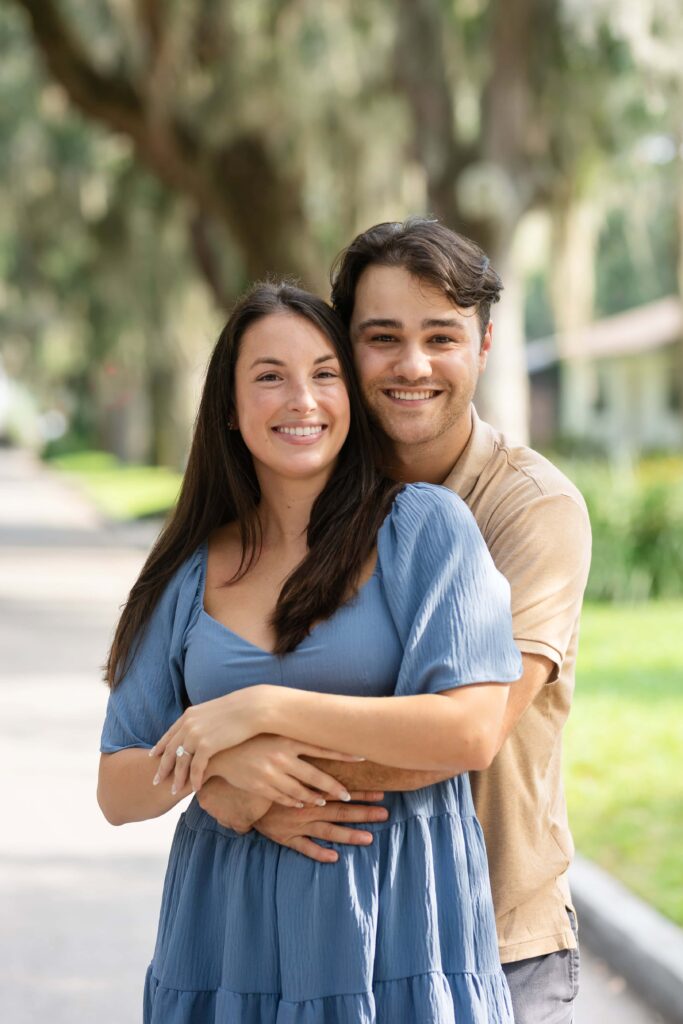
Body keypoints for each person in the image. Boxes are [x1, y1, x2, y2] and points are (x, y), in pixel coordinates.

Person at [98, 281, 524, 1023]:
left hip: (398, 929)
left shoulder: (423, 530)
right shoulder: (187, 572)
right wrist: (224, 770)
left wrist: (259, 713)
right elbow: (118, 787)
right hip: (226, 936)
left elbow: (469, 731)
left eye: (325, 374)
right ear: (229, 409)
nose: (302, 400)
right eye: (270, 376)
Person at [199, 220, 592, 1024]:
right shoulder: (303, 491)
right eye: (382, 338)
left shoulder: (530, 510)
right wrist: (214, 772)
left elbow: (459, 737)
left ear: (483, 344)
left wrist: (245, 772)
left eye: (440, 337)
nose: (412, 365)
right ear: (347, 349)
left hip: (494, 942)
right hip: (323, 937)